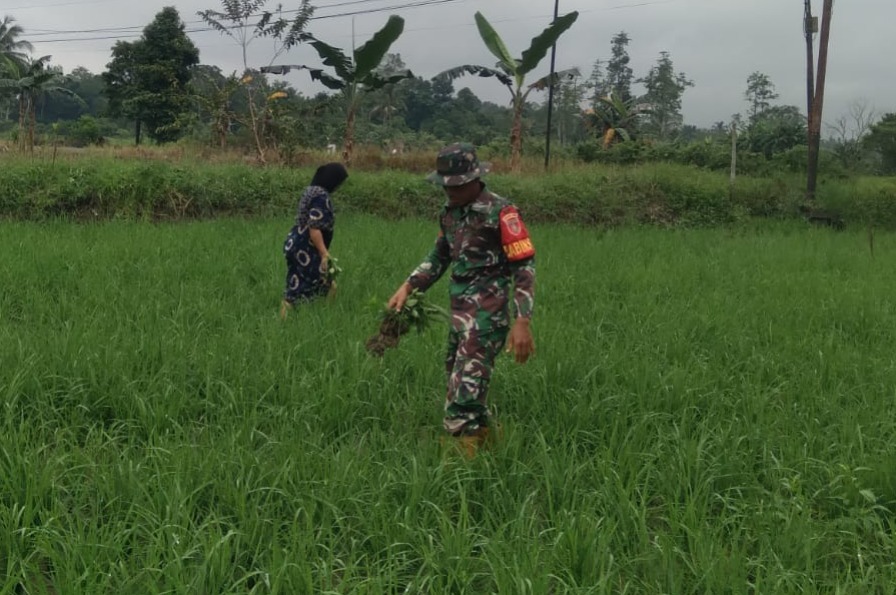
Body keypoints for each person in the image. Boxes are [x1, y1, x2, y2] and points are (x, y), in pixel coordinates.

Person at [387, 142, 536, 455]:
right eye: (445, 186)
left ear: (474, 180)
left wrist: (522, 320)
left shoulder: (502, 212)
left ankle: (458, 480)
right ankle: (489, 447)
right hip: (460, 315)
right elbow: (440, 255)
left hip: (487, 317)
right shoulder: (450, 214)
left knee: (461, 396)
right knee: (462, 383)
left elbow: (523, 266)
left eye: (455, 187)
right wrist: (409, 285)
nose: (448, 193)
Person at [280, 162, 348, 318]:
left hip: (296, 244)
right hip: (306, 249)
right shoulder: (321, 195)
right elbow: (314, 227)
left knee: (327, 284)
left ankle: (321, 317)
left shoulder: (311, 190)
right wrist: (324, 253)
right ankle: (284, 324)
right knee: (297, 291)